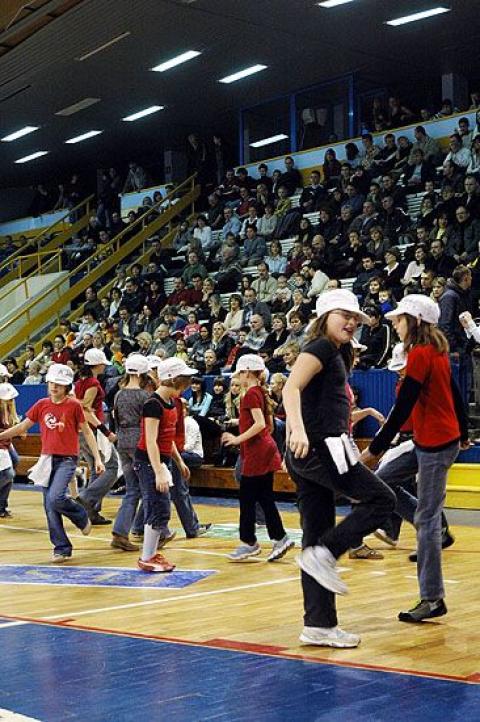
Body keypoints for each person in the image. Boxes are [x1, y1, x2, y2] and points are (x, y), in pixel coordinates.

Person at [282, 289, 395, 648]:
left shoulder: (338, 353)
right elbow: (290, 388)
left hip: (316, 450)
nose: (351, 321)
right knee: (382, 499)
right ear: (324, 317)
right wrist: (297, 430)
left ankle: (319, 625)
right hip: (317, 450)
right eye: (343, 314)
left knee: (315, 533)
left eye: (355, 317)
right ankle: (327, 554)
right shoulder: (319, 348)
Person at [360, 295, 469, 622]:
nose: (394, 323)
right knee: (380, 483)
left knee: (428, 519)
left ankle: (432, 598)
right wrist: (464, 432)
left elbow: (403, 406)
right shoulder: (433, 351)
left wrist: (374, 449)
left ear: (416, 321)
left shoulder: (423, 353)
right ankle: (420, 520)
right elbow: (454, 393)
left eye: (399, 318)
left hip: (436, 444)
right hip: (431, 439)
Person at [0, 364, 104, 562]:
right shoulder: (41, 404)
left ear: (66, 387)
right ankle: (62, 547)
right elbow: (23, 426)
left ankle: (80, 515)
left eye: (59, 384)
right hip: (46, 459)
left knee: (56, 497)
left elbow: (87, 432)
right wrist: (2, 436)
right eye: (52, 383)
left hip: (67, 459)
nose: (54, 387)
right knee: (49, 506)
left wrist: (97, 458)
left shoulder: (73, 406)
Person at [222, 355, 294, 562]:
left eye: (238, 373)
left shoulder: (251, 394)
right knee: (264, 497)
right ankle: (279, 537)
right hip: (264, 448)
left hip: (257, 452)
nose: (236, 377)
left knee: (247, 498)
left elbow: (261, 424)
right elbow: (269, 425)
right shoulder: (261, 392)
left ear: (246, 372)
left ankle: (249, 543)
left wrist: (237, 439)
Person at [134, 357, 197, 572]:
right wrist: (158, 470)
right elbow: (150, 440)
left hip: (163, 460)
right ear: (173, 379)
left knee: (161, 506)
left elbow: (166, 437)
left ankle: (150, 553)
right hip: (148, 461)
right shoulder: (153, 404)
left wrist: (178, 461)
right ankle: (147, 556)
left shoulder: (171, 403)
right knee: (156, 505)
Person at [75, 349, 119, 525]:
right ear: (98, 364)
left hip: (83, 430)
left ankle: (91, 511)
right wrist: (106, 432)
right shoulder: (93, 383)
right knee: (111, 467)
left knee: (96, 469)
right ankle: (85, 498)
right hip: (93, 429)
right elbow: (85, 407)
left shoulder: (80, 382)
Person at [111, 354, 151, 551]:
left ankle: (120, 531)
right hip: (138, 441)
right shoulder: (144, 396)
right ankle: (157, 530)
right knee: (147, 488)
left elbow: (116, 420)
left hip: (122, 440)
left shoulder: (119, 394)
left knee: (131, 489)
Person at [0, 382, 19, 518]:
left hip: (6, 444)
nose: (12, 401)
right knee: (8, 474)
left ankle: (2, 506)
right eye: (9, 399)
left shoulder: (9, 411)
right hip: (1, 444)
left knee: (14, 463)